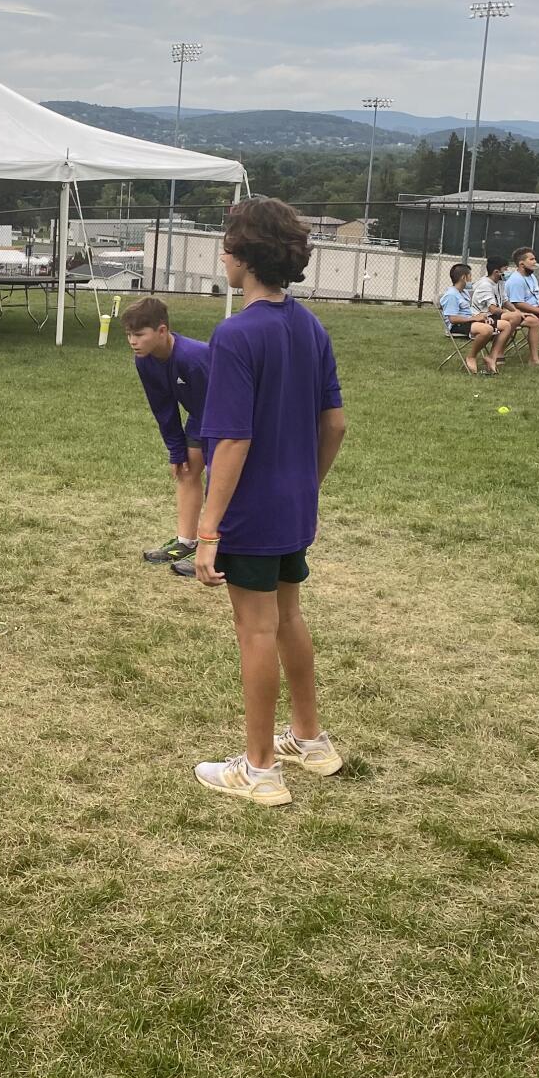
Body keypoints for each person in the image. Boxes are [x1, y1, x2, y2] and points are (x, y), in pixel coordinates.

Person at [193, 198, 348, 807]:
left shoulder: (235, 335)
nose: (223, 255)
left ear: (247, 258)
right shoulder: (310, 325)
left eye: (228, 245)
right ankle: (309, 740)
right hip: (293, 509)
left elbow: (231, 439)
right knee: (288, 619)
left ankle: (258, 769)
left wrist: (207, 531)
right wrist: (304, 486)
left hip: (252, 516)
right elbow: (334, 426)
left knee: (255, 629)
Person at [123, 295, 211, 576]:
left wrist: (222, 449)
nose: (132, 341)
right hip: (201, 416)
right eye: (129, 335)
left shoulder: (193, 358)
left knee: (224, 483)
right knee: (186, 470)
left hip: (231, 418)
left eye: (139, 334)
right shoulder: (145, 361)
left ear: (162, 331)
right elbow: (163, 408)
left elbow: (229, 402)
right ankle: (185, 542)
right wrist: (176, 449)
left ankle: (225, 550)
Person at [474, 254, 539, 367]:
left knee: (534, 321)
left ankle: (534, 359)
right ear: (496, 272)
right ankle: (496, 353)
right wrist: (514, 314)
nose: (508, 272)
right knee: (514, 317)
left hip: (496, 317)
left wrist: (517, 311)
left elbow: (505, 301)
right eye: (505, 269)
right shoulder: (485, 285)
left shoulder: (500, 282)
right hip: (484, 317)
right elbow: (493, 309)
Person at [438, 262, 498, 374]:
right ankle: (471, 356)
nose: (471, 279)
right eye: (470, 276)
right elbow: (453, 319)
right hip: (457, 325)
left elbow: (468, 312)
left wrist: (482, 317)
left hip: (469, 321)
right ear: (463, 277)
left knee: (505, 325)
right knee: (487, 329)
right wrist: (474, 319)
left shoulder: (463, 292)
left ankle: (492, 357)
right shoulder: (451, 295)